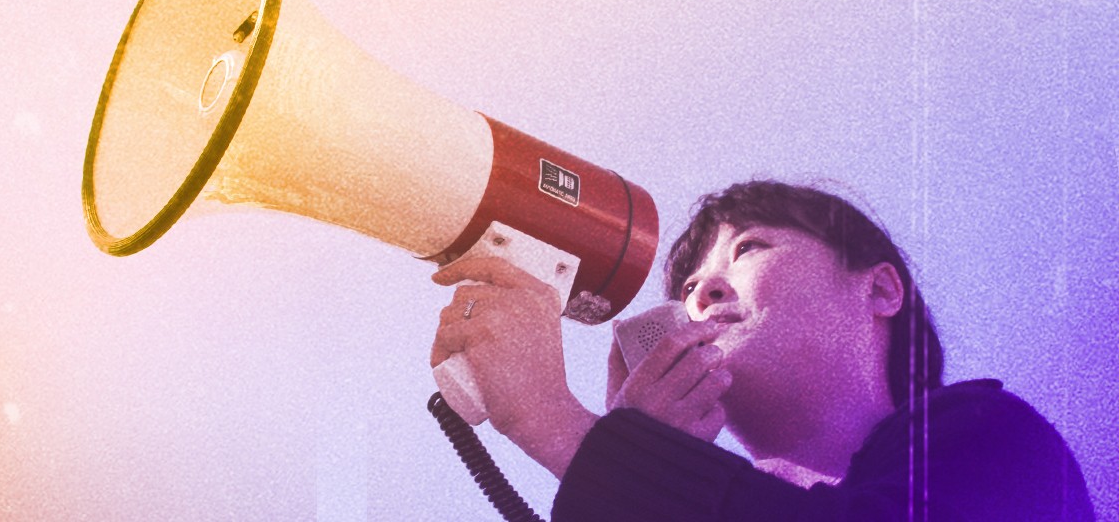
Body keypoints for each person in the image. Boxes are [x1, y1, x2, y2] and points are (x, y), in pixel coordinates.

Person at [430, 180, 1095, 521]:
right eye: (688, 288)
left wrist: (557, 425)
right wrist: (634, 472)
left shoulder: (997, 439)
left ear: (881, 289)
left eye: (749, 248)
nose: (703, 292)